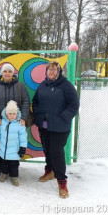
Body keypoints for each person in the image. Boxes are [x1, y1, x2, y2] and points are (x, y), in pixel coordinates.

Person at [32, 60, 79, 198]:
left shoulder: (66, 86)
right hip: (44, 124)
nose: (51, 72)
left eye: (54, 70)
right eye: (49, 70)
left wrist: (63, 117)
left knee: (57, 152)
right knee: (47, 149)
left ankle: (62, 182)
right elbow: (36, 101)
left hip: (60, 126)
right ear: (46, 71)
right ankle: (50, 170)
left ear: (59, 72)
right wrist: (38, 114)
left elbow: (74, 105)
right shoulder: (43, 85)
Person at [0, 63, 30, 175]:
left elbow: (26, 101)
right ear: (2, 73)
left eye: (9, 71)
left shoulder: (20, 86)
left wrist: (24, 118)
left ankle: (13, 166)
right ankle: (1, 164)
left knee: (14, 143)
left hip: (16, 122)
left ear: (13, 73)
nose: (7, 73)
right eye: (5, 71)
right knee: (0, 143)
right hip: (0, 122)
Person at [0, 100, 28, 186]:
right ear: (6, 114)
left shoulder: (20, 124)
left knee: (14, 164)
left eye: (14, 114)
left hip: (14, 149)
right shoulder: (1, 123)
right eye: (10, 114)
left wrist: (22, 147)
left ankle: (14, 177)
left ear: (17, 114)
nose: (12, 116)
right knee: (4, 163)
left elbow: (23, 137)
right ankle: (4, 174)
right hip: (3, 148)